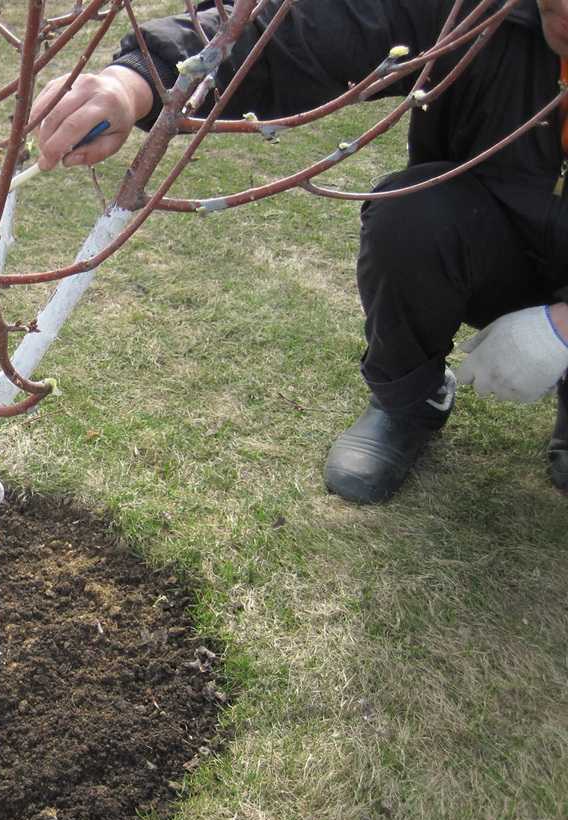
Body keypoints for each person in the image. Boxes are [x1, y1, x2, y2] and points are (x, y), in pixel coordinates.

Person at [32, 0, 568, 503]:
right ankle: (409, 401)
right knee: (411, 216)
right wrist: (139, 83)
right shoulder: (480, 10)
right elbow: (303, 28)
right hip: (491, 232)